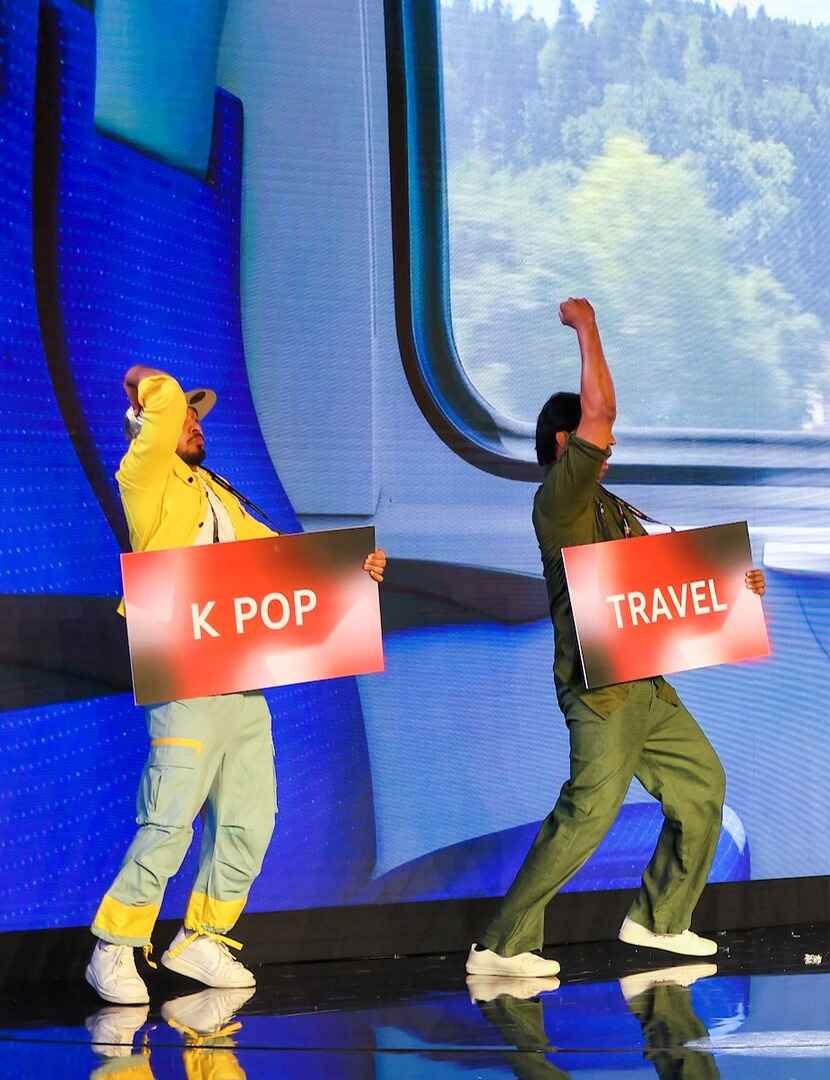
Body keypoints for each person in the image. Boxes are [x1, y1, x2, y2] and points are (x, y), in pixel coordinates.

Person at [466, 297, 767, 978]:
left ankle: (659, 920)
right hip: (601, 694)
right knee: (589, 814)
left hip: (646, 685)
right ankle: (501, 944)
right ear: (565, 446)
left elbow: (657, 585)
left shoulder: (610, 504)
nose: (610, 446)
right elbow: (601, 416)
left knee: (701, 787)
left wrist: (732, 591)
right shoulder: (561, 499)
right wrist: (589, 326)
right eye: (593, 439)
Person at [85, 366, 390, 1006]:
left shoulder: (217, 495)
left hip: (241, 678)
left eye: (198, 418)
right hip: (186, 671)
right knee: (169, 817)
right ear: (149, 426)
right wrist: (144, 382)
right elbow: (159, 400)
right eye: (185, 418)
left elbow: (282, 563)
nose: (196, 425)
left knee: (251, 817)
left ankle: (204, 936)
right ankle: (114, 944)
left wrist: (351, 571)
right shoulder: (143, 482)